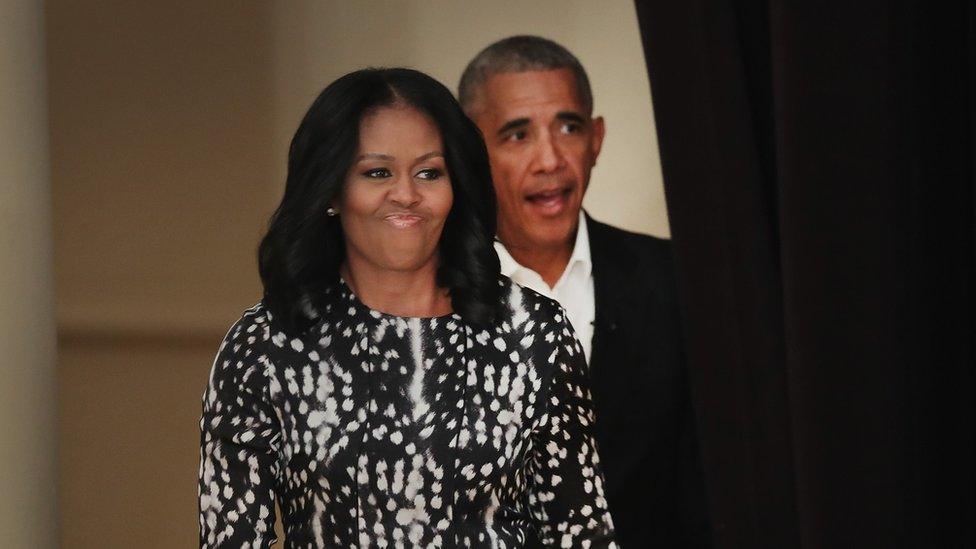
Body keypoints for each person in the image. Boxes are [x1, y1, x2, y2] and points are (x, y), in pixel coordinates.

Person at [198, 67, 617, 547]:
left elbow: (581, 535)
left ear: (454, 186)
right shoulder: (265, 346)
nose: (407, 195)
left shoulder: (533, 334)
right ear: (333, 190)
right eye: (377, 172)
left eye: (429, 173)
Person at [459, 36, 711, 547]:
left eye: (568, 127)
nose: (550, 159)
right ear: (470, 151)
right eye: (517, 135)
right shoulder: (429, 298)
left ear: (595, 140)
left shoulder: (677, 280)